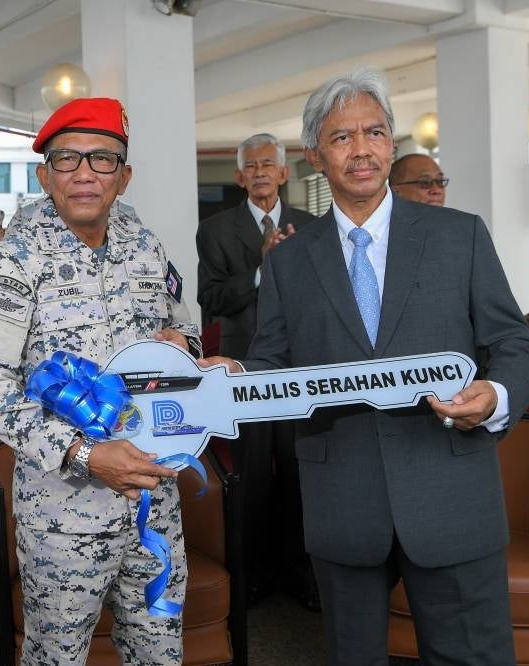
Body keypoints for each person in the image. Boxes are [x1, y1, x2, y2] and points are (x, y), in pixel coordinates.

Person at [204, 67, 529, 664]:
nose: (361, 149)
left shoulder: (459, 235)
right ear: (314, 154)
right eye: (342, 137)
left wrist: (495, 394)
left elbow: (515, 343)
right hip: (342, 498)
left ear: (391, 141)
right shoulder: (288, 261)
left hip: (451, 492)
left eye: (375, 132)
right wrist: (236, 382)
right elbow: (270, 364)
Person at [0, 97, 201, 665]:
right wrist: (84, 453)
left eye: (102, 159)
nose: (85, 173)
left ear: (124, 176)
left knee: (160, 650)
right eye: (67, 159)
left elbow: (182, 322)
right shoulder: (16, 259)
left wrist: (184, 347)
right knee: (57, 656)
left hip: (153, 492)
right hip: (63, 510)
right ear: (45, 174)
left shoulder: (144, 245)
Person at [195, 133, 317, 609]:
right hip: (243, 365)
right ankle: (253, 575)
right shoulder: (216, 230)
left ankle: (300, 572)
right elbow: (213, 300)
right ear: (239, 176)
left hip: (298, 366)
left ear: (284, 173)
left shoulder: (310, 226)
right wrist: (263, 267)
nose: (261, 171)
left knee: (298, 469)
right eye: (252, 165)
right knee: (251, 474)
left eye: (270, 164)